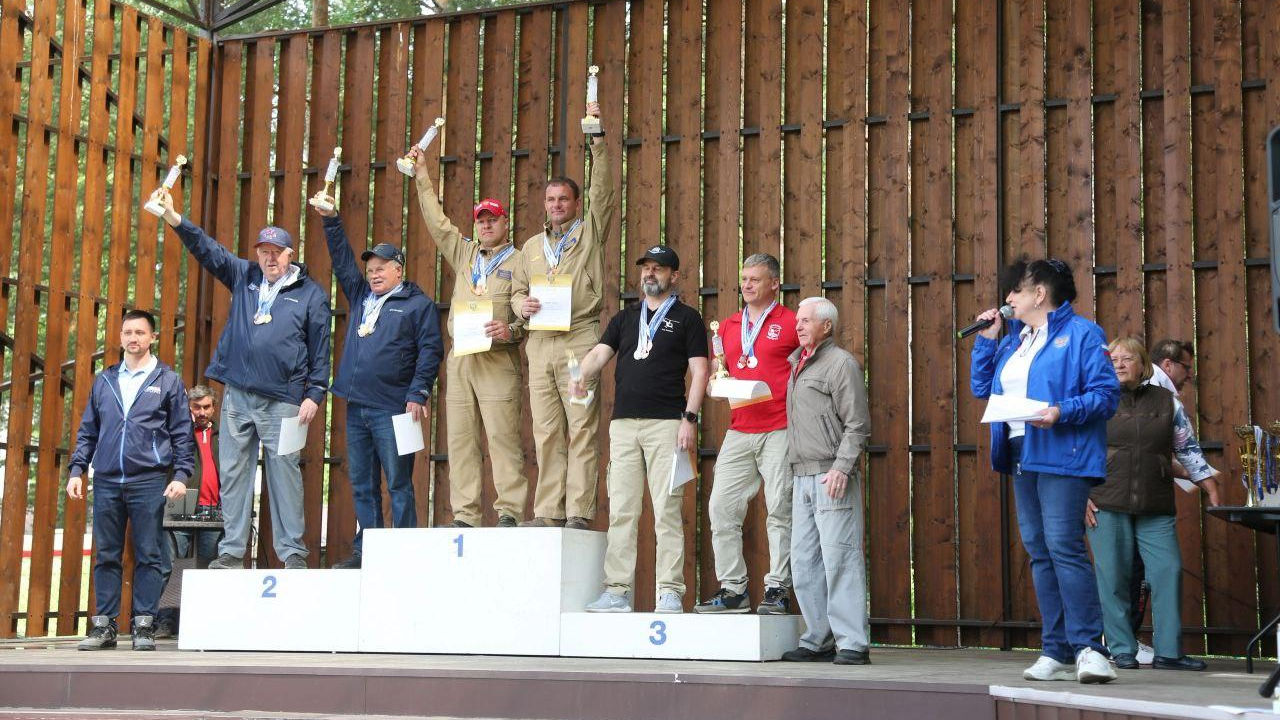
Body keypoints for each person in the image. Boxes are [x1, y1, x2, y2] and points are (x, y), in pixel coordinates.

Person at [151, 188, 331, 570]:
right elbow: (209, 250)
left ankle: (293, 554)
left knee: (285, 476)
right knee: (234, 473)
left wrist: (314, 393)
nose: (268, 257)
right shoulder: (245, 276)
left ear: (289, 256)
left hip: (284, 400)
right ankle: (232, 552)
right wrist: (175, 218)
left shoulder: (312, 295)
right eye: (263, 251)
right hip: (237, 396)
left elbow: (321, 350)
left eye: (275, 251)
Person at [970, 257, 1120, 684]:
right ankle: (1055, 649)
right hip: (1020, 452)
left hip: (1062, 451)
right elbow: (983, 388)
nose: (1008, 299)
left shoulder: (1082, 334)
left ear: (1039, 293)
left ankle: (1090, 647)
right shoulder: (1016, 339)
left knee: (1063, 545)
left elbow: (1106, 395)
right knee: (1039, 550)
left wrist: (1060, 411)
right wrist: (987, 340)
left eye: (1015, 290)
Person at [570, 246, 709, 613]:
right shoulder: (624, 318)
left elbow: (700, 371)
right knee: (622, 510)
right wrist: (581, 375)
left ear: (674, 276)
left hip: (667, 425)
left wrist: (689, 418)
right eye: (646, 267)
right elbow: (600, 354)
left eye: (658, 268)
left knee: (666, 510)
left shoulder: (687, 318)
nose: (650, 274)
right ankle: (616, 591)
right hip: (623, 425)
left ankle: (669, 591)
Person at [315, 204, 443, 568]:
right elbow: (341, 261)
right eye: (370, 270)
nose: (373, 275)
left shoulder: (418, 305)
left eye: (381, 269)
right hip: (356, 408)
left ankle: (403, 552)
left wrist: (418, 392)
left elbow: (431, 352)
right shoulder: (360, 297)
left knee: (399, 483)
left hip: (395, 408)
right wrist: (331, 220)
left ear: (398, 270)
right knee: (362, 484)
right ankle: (367, 552)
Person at [510, 101, 617, 530]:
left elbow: (604, 191)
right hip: (540, 342)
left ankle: (577, 511)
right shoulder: (533, 247)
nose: (556, 205)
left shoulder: (590, 232)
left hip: (578, 339)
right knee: (546, 431)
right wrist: (522, 306)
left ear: (576, 203)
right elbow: (517, 291)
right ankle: (548, 511)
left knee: (581, 427)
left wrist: (597, 143)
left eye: (563, 199)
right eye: (550, 199)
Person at [67, 310, 194, 651]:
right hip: (107, 479)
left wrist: (181, 475)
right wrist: (77, 469)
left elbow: (183, 432)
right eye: (127, 332)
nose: (133, 338)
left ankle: (143, 626)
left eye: (140, 332)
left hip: (149, 480)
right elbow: (88, 431)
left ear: (153, 337)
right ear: (120, 337)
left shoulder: (167, 380)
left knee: (149, 555)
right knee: (106, 554)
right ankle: (104, 627)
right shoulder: (104, 380)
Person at [412, 155, 527, 528]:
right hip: (462, 355)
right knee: (460, 440)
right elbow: (436, 222)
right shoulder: (465, 253)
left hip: (497, 357)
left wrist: (512, 330)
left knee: (502, 438)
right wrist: (422, 176)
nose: (487, 225)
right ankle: (465, 515)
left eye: (493, 219)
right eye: (482, 220)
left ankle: (509, 510)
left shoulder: (522, 259)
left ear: (505, 223)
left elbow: (532, 305)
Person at [1085, 337, 1214, 672]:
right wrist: (1080, 495)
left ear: (1143, 364)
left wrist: (1208, 482)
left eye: (1128, 359)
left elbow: (1187, 448)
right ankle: (1121, 649)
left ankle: (1169, 652)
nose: (1120, 364)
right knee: (1113, 577)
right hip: (1105, 501)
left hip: (1155, 504)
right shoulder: (1095, 401)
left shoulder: (1166, 401)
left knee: (1168, 571)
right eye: (1113, 359)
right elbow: (1076, 450)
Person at [696, 253, 799, 615]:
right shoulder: (726, 325)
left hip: (780, 427)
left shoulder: (791, 321)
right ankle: (734, 589)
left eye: (755, 279)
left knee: (780, 509)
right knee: (721, 507)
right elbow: (718, 370)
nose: (747, 284)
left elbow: (805, 370)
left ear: (774, 283)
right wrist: (713, 382)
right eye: (744, 278)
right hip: (739, 429)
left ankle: (778, 589)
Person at [778, 297, 871, 666]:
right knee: (804, 562)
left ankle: (852, 643)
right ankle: (818, 639)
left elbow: (857, 424)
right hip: (801, 475)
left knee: (840, 558)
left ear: (826, 326)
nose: (798, 326)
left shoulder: (840, 364)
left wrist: (842, 468)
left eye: (805, 321)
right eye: (797, 320)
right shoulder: (797, 364)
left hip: (832, 475)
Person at [1121, 338, 1219, 665]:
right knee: (1126, 573)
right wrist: (1204, 481)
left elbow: (1162, 454)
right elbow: (1157, 452)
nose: (1190, 375)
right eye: (1186, 367)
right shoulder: (1138, 396)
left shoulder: (1166, 399)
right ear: (1166, 364)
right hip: (1117, 496)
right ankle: (1123, 646)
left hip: (1149, 495)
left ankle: (1151, 648)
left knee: (1157, 570)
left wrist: (1201, 478)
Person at [154, 385, 224, 638]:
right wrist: (184, 423)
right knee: (169, 566)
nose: (202, 412)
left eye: (206, 407)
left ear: (214, 408)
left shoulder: (222, 433)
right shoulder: (177, 432)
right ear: (188, 408)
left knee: (207, 568)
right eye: (196, 407)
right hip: (180, 503)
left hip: (213, 507)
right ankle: (164, 621)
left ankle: (200, 621)